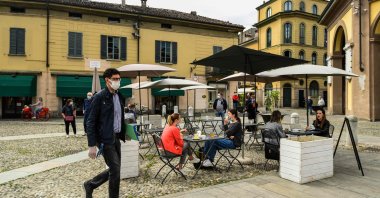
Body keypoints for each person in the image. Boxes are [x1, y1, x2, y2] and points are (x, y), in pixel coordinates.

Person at [83, 68, 126, 198]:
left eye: (119, 79)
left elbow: (119, 116)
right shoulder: (99, 97)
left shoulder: (119, 96)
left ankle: (90, 184)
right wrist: (92, 145)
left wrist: (125, 132)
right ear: (107, 80)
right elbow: (90, 121)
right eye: (115, 79)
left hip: (117, 137)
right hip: (105, 139)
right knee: (115, 170)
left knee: (115, 169)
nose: (118, 81)